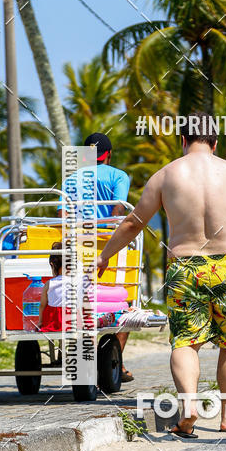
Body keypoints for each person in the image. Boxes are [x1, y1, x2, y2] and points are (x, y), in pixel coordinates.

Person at [97, 116, 226, 436]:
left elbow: (133, 223)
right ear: (215, 142)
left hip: (186, 266)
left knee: (185, 342)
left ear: (182, 140)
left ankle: (189, 405)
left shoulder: (165, 175)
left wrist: (104, 255)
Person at [60, 132, 134, 380]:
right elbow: (118, 210)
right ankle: (115, 365)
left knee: (79, 300)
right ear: (109, 155)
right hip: (104, 247)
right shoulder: (118, 176)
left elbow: (63, 217)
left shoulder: (71, 178)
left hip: (74, 248)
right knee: (124, 305)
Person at [39, 241, 64, 332]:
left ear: (52, 265)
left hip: (54, 322)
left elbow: (42, 305)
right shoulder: (77, 282)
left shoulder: (49, 283)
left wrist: (40, 322)